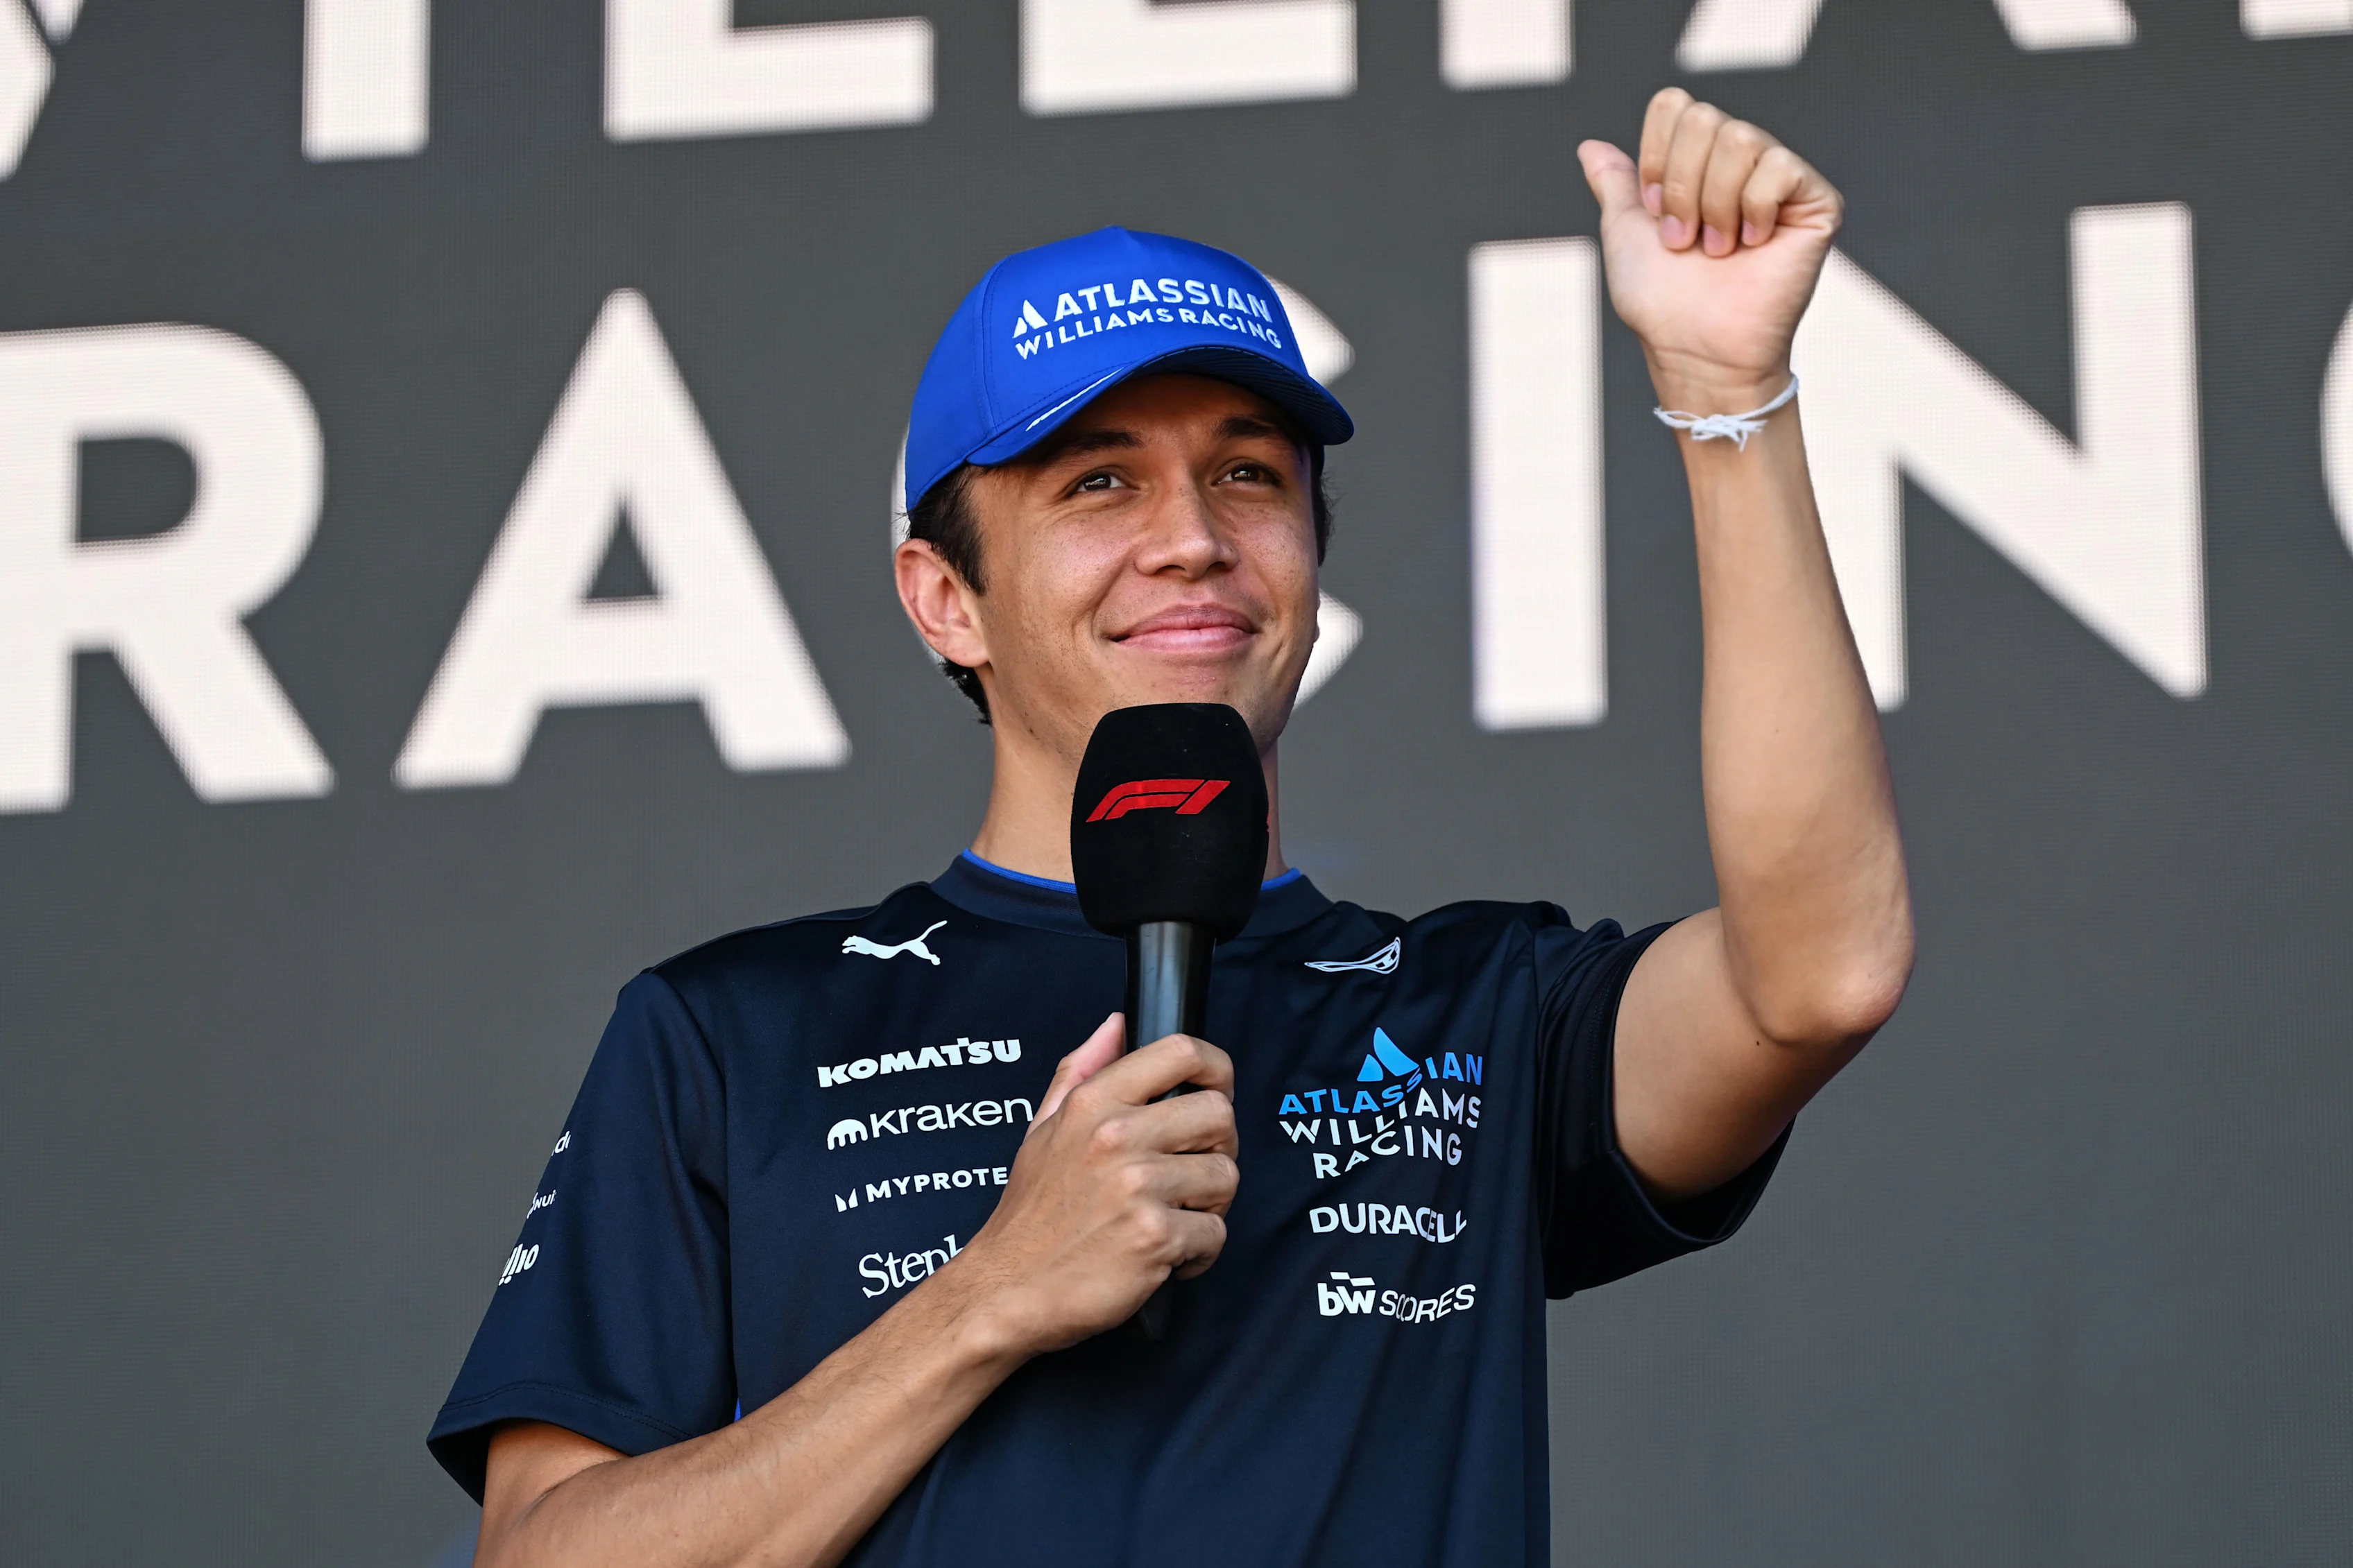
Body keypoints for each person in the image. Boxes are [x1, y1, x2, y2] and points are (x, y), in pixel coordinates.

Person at [429, 90, 1914, 1568]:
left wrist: (1727, 395)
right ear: (947, 598)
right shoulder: (729, 1033)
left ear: (1313, 562)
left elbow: (1819, 973)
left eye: (1250, 472)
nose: (1194, 532)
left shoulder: (1478, 1014)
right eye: (1098, 480)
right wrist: (992, 1291)